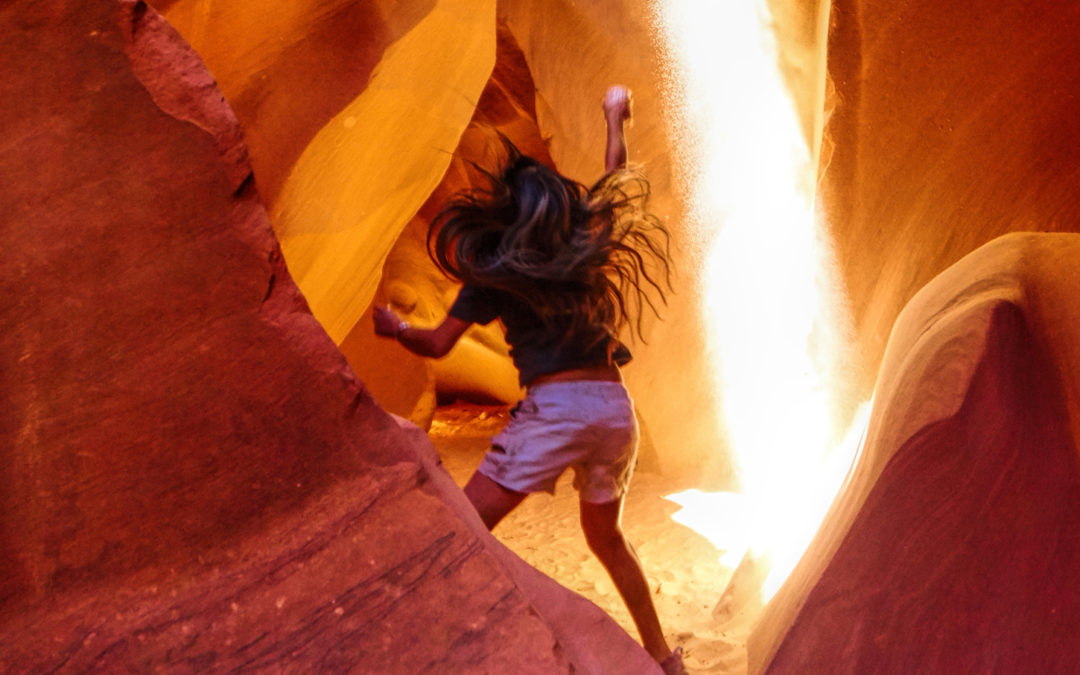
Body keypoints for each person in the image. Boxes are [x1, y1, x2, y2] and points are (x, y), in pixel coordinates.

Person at [374, 85, 684, 674]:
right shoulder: (581, 248)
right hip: (615, 412)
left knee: (464, 529)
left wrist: (395, 328)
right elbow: (613, 185)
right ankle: (664, 659)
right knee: (608, 540)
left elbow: (437, 343)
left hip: (558, 409)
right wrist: (615, 117)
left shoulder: (493, 272)